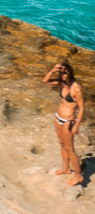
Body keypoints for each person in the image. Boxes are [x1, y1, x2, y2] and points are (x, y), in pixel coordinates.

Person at [43, 57, 86, 186]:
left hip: (68, 121)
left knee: (70, 149)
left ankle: (78, 176)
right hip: (58, 118)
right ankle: (66, 168)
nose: (63, 75)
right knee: (62, 144)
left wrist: (77, 125)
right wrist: (53, 70)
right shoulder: (62, 84)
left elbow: (82, 108)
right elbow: (45, 81)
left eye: (65, 73)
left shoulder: (76, 88)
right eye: (61, 73)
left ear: (70, 73)